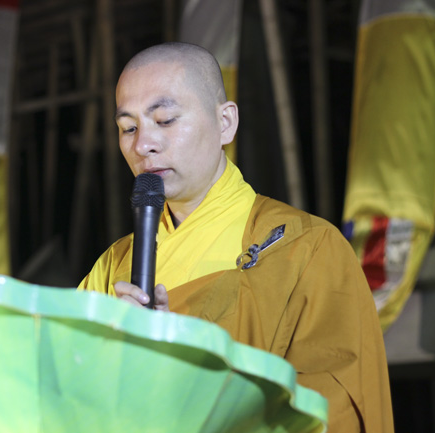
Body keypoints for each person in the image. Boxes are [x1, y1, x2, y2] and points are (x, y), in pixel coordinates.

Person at [79, 42, 394, 432]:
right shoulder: (112, 269)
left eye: (165, 120)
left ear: (225, 123)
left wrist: (185, 368)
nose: (143, 144)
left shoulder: (306, 248)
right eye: (128, 128)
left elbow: (329, 411)